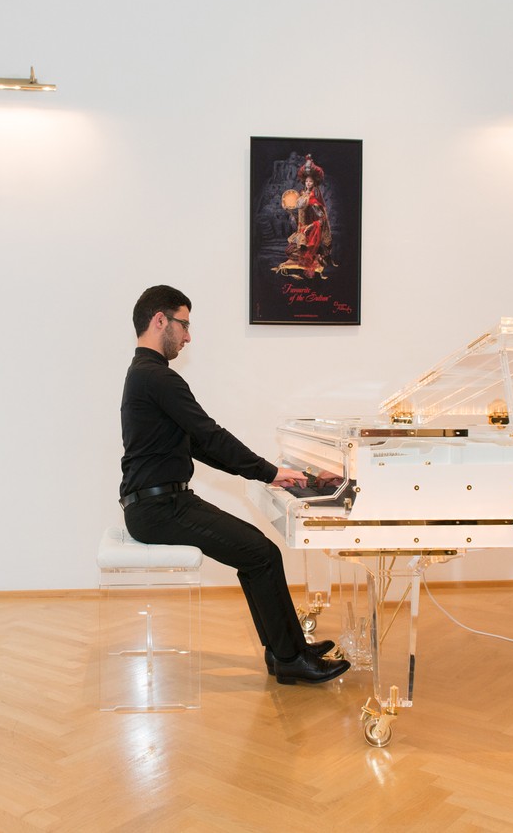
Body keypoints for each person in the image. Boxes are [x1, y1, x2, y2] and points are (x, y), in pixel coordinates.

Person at [119, 285, 350, 684]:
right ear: (160, 320)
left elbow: (197, 445)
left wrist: (266, 471)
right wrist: (268, 472)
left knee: (259, 553)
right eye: (184, 324)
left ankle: (287, 650)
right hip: (159, 509)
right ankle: (289, 658)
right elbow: (210, 436)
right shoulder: (156, 377)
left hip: (160, 504)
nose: (188, 336)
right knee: (261, 554)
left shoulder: (145, 375)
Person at [273, 155, 334, 280]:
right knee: (289, 251)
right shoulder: (302, 195)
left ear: (314, 183)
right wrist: (290, 211)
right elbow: (300, 216)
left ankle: (317, 255)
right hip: (301, 230)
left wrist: (309, 227)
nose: (308, 183)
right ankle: (314, 255)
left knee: (300, 254)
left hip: (310, 231)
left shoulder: (314, 199)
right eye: (306, 181)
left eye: (310, 181)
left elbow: (321, 219)